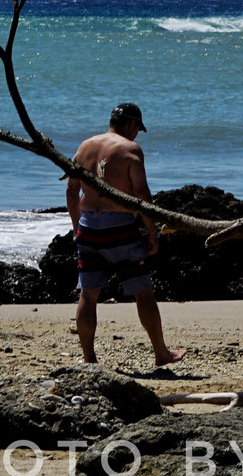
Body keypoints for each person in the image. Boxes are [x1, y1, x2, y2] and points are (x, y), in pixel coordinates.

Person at [68, 102, 185, 368]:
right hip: (120, 228)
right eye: (137, 129)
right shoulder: (130, 150)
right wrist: (151, 231)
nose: (136, 135)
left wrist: (77, 228)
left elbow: (72, 192)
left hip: (88, 226)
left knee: (88, 294)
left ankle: (89, 358)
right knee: (143, 291)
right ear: (131, 125)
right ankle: (161, 353)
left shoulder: (84, 146)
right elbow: (142, 195)